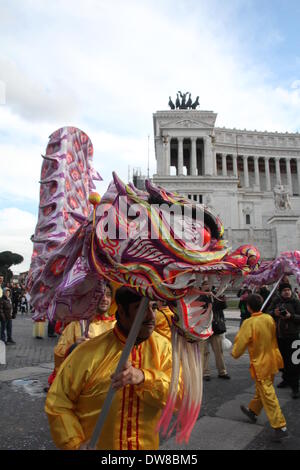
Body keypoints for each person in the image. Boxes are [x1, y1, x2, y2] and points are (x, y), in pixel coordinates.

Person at [45, 287, 174, 450]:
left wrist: (144, 377)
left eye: (153, 307)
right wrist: (74, 444)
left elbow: (179, 394)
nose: (150, 316)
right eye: (140, 308)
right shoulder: (87, 352)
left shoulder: (164, 349)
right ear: (121, 310)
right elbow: (58, 402)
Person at [232, 294, 288, 442]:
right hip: (272, 359)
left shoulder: (249, 323)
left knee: (267, 393)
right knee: (262, 389)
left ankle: (280, 425)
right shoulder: (268, 318)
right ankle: (253, 411)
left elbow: (238, 349)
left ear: (249, 307)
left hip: (260, 364)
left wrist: (234, 352)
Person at [51, 283, 115, 380]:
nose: (104, 299)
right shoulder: (77, 325)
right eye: (100, 294)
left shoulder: (116, 326)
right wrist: (74, 347)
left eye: (108, 295)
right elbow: (59, 353)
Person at [268, 283, 300, 399]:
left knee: (294, 363)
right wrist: (274, 314)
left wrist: (291, 316)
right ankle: (286, 379)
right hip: (279, 336)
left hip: (293, 337)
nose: (287, 292)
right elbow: (267, 314)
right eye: (284, 290)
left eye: (288, 290)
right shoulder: (276, 301)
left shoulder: (295, 302)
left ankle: (295, 387)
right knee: (282, 361)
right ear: (280, 292)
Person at [203, 285, 230, 381]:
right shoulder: (198, 296)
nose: (207, 286)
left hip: (215, 328)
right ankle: (205, 372)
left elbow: (223, 306)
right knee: (204, 352)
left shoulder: (215, 295)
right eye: (205, 284)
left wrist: (221, 298)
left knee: (219, 351)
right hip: (203, 329)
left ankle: (222, 371)